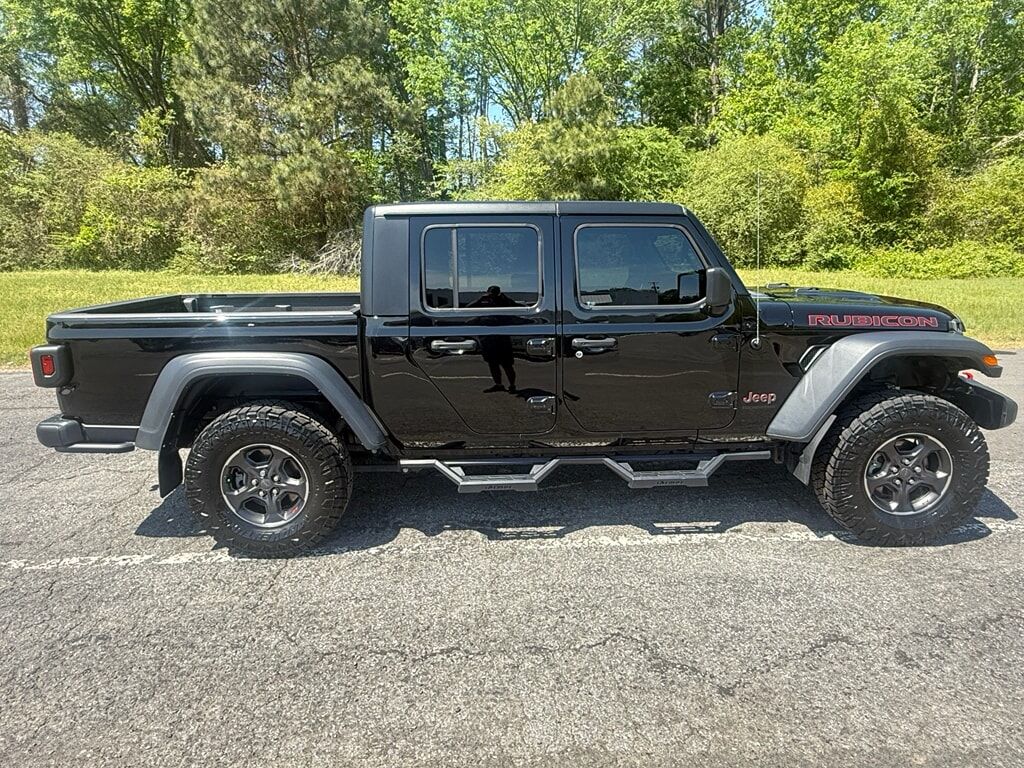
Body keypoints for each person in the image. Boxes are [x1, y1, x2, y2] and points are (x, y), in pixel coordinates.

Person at [468, 286, 518, 393]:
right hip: (488, 338)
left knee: (507, 364)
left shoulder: (504, 301)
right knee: (492, 363)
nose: (492, 296)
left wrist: (504, 298)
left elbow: (515, 306)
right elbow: (468, 308)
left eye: (495, 293)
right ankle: (498, 384)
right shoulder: (484, 301)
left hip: (502, 337)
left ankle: (512, 385)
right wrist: (480, 300)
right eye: (491, 293)